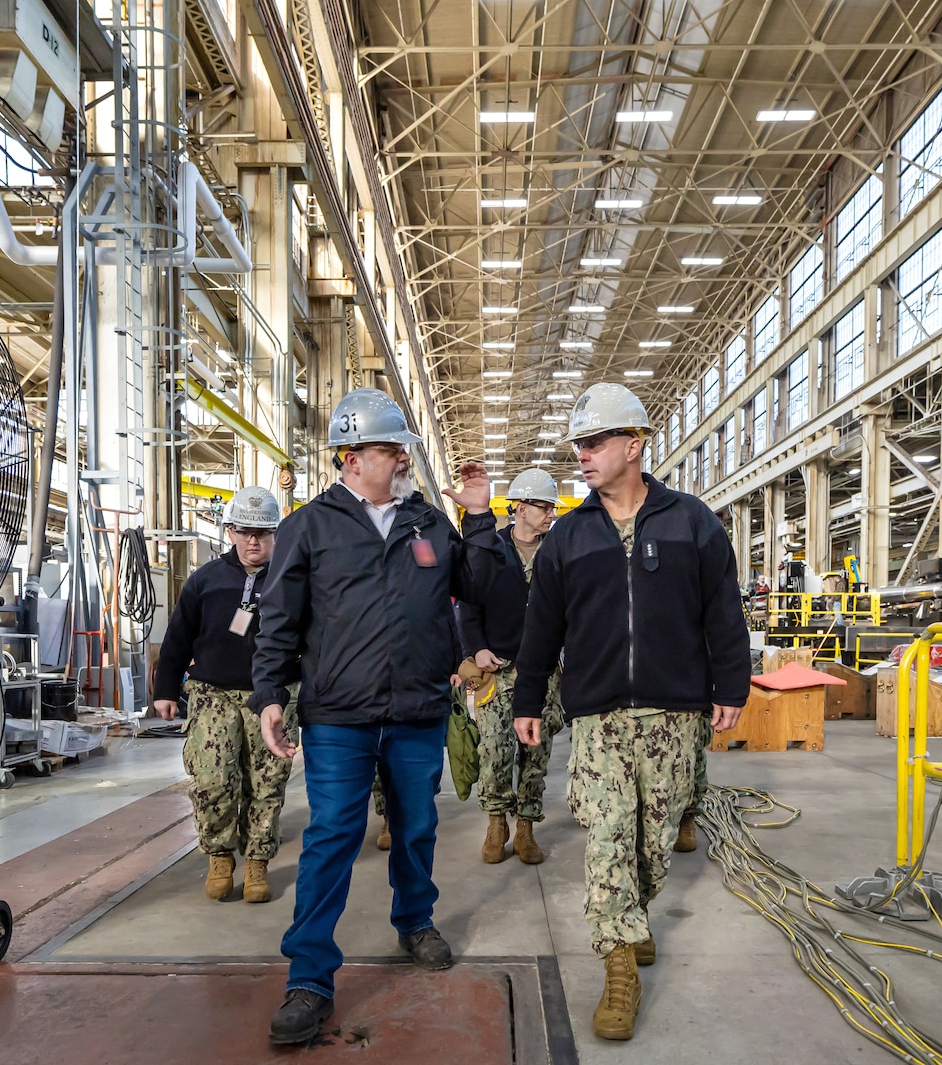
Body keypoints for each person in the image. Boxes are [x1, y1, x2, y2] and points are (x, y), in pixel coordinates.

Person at [248, 387, 504, 1046]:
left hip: (418, 709)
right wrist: (271, 695)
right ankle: (309, 978)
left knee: (417, 827)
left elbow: (478, 591)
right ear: (352, 457)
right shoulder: (311, 526)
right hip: (338, 715)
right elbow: (277, 620)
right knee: (332, 834)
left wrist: (477, 518)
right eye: (392, 450)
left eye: (402, 451)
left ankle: (414, 920)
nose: (402, 461)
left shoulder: (428, 523)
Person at [512, 383, 750, 1041]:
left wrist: (733, 685)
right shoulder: (569, 538)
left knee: (652, 840)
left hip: (676, 712)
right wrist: (529, 698)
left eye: (594, 443)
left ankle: (633, 913)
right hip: (599, 716)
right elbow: (542, 627)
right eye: (578, 446)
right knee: (608, 834)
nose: (582, 456)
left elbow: (723, 612)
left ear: (634, 445)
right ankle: (619, 962)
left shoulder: (691, 522)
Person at [152, 486, 294, 904]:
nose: (254, 540)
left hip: (273, 697)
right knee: (213, 780)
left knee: (266, 783)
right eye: (245, 531)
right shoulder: (205, 580)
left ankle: (256, 862)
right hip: (212, 692)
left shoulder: (293, 579)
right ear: (230, 531)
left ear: (276, 534)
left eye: (263, 533)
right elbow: (178, 636)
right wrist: (165, 689)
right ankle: (219, 855)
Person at [457, 466, 564, 865]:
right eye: (543, 506)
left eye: (551, 506)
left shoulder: (557, 552)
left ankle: (526, 829)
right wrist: (475, 648)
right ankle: (496, 822)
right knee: (495, 751)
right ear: (519, 507)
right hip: (498, 668)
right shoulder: (492, 548)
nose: (550, 513)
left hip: (544, 671)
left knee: (536, 753)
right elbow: (468, 603)